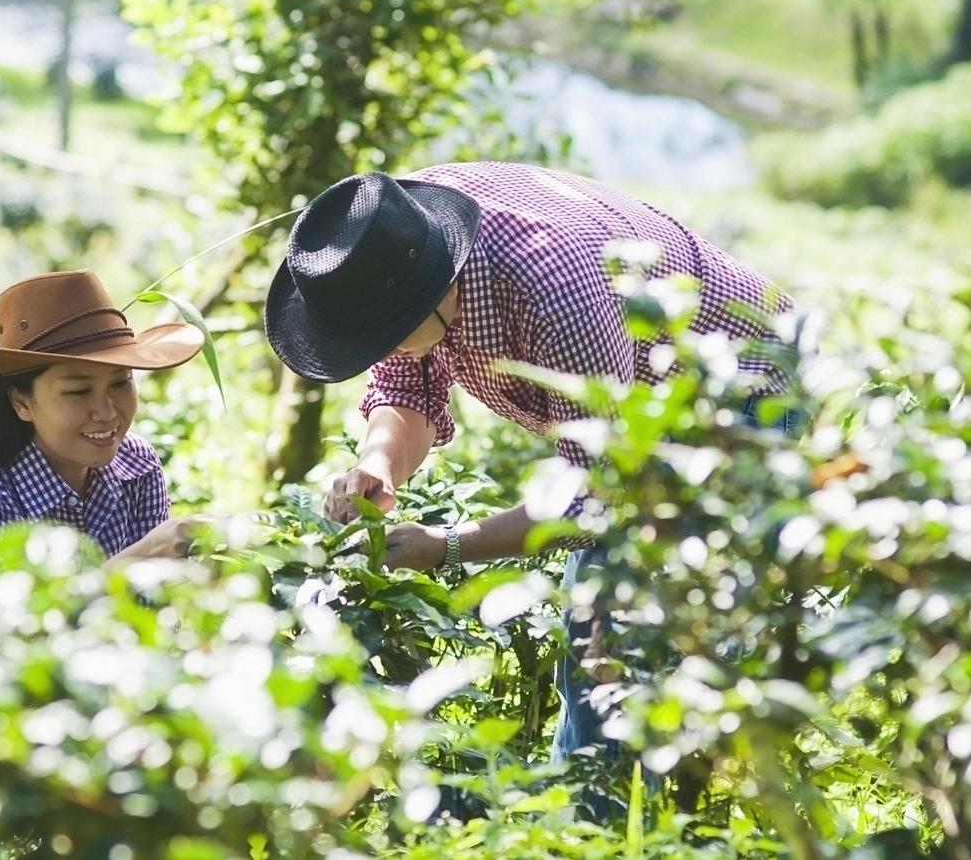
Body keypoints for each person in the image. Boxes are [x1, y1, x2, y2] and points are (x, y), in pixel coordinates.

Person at [262, 160, 797, 767]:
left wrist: (450, 546)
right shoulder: (385, 243)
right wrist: (379, 468)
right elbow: (405, 389)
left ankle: (609, 815)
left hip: (743, 391)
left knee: (613, 634)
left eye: (385, 338)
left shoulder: (555, 288)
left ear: (433, 293)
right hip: (634, 399)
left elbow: (598, 495)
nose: (377, 353)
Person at [0, 269, 208, 581]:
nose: (106, 412)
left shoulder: (135, 465)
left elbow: (155, 612)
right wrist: (139, 560)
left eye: (121, 383)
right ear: (22, 402)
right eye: (78, 391)